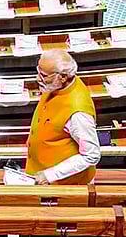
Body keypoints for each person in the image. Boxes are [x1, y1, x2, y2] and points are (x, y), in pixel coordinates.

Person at [25, 49, 101, 184]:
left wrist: (51, 175)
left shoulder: (78, 112)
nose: (38, 79)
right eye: (38, 72)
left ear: (63, 77)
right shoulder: (57, 85)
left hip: (64, 183)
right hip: (39, 172)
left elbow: (91, 155)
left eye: (43, 75)